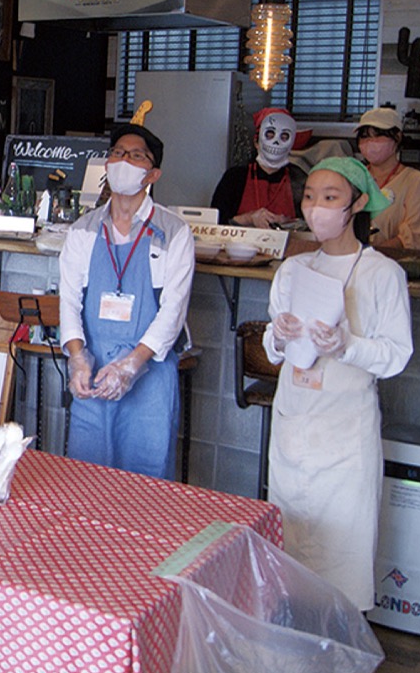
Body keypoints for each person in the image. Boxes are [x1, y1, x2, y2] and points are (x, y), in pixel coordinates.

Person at [262, 157, 411, 610]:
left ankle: (340, 639)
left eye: (330, 198)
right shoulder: (293, 269)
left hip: (345, 433)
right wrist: (278, 336)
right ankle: (291, 635)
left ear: (358, 203)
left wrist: (347, 345)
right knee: (290, 540)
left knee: (342, 548)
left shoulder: (382, 274)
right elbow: (272, 347)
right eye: (310, 197)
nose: (316, 208)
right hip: (294, 421)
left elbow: (396, 354)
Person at [58, 121, 196, 480]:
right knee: (85, 476)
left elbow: (173, 311)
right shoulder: (83, 230)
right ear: (107, 164)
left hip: (149, 377)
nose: (124, 160)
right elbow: (69, 300)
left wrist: (131, 365)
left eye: (136, 156)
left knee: (143, 479)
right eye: (118, 153)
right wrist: (77, 358)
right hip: (93, 373)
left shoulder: (174, 232)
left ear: (152, 174)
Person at [210, 107, 306, 227]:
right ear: (256, 142)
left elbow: (310, 222)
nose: (276, 142)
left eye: (284, 137)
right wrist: (247, 218)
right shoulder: (234, 177)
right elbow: (214, 221)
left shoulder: (299, 178)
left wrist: (288, 222)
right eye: (270, 135)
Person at [354, 106, 420, 250]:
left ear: (397, 137)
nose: (370, 142)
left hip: (393, 259)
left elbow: (414, 235)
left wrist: (373, 255)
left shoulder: (415, 181)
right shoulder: (354, 178)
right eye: (365, 136)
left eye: (378, 136)